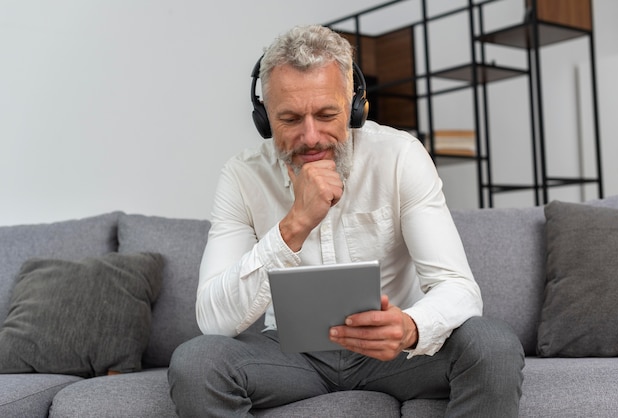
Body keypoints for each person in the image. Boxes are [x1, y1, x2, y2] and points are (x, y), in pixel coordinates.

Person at [168, 24, 524, 417]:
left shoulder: (400, 156)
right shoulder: (241, 176)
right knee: (197, 362)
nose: (310, 137)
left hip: (394, 354)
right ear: (264, 119)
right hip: (290, 357)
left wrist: (409, 327)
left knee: (493, 343)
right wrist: (294, 225)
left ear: (356, 108)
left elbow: (458, 288)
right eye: (289, 119)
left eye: (326, 114)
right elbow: (214, 321)